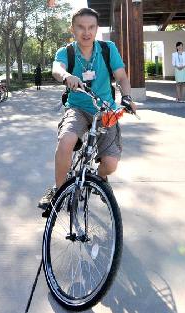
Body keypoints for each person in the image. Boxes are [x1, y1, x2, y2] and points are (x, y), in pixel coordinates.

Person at [37, 8, 136, 210]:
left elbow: (122, 77)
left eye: (91, 27)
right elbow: (57, 68)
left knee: (110, 164)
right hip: (77, 108)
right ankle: (59, 190)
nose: (86, 32)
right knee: (66, 142)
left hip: (105, 110)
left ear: (97, 29)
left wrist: (127, 97)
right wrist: (66, 76)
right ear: (72, 29)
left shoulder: (108, 49)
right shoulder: (67, 52)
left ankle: (99, 179)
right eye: (81, 27)